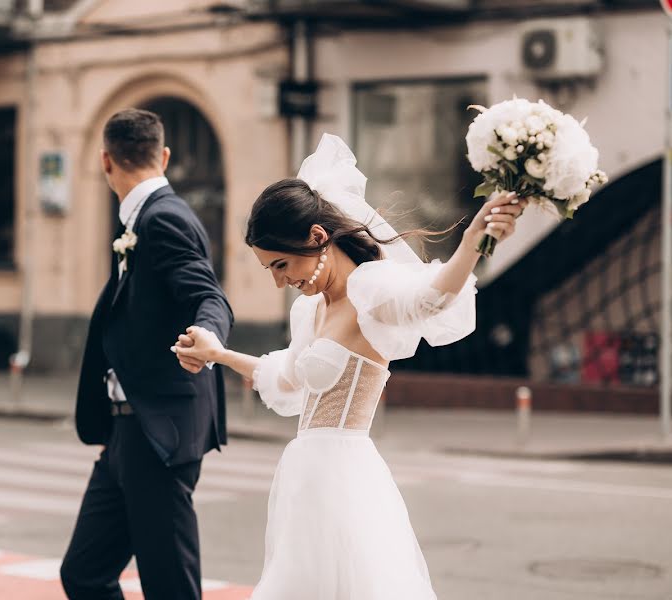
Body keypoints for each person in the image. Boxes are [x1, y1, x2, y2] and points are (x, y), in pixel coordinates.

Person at [173, 133, 526, 599]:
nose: (280, 281)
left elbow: (432, 297)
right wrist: (217, 353)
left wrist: (472, 244)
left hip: (346, 481)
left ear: (318, 238)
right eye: (271, 271)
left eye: (281, 265)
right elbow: (282, 380)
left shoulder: (371, 290)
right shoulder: (311, 310)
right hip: (305, 481)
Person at [60, 108, 233, 600]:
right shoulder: (144, 220)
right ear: (164, 156)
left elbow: (209, 296)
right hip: (126, 430)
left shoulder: (164, 219)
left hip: (157, 432)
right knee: (85, 574)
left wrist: (207, 335)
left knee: (170, 587)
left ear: (105, 161)